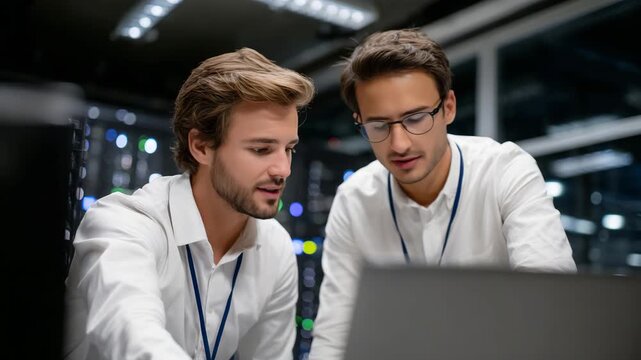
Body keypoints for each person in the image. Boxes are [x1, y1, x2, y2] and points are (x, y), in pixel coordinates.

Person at [308, 28, 576, 360]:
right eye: (378, 126)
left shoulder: (505, 170)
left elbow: (551, 302)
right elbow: (335, 334)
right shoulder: (354, 199)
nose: (399, 144)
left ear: (448, 108)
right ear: (360, 121)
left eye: (416, 118)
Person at [64, 48, 314, 360]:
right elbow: (134, 340)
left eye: (288, 149)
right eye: (262, 149)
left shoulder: (275, 247)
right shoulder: (123, 224)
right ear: (201, 146)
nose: (283, 169)